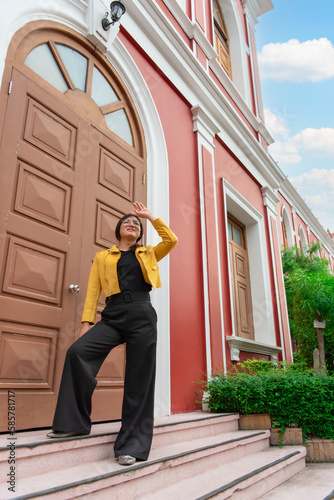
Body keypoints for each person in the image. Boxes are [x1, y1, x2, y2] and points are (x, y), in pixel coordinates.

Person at [46, 202, 178, 466]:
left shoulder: (149, 253)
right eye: (127, 221)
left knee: (139, 378)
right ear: (118, 229)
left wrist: (150, 216)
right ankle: (74, 423)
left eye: (136, 224)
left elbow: (171, 239)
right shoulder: (103, 256)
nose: (132, 223)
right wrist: (86, 323)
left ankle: (132, 445)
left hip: (142, 313)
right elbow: (93, 290)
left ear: (140, 233)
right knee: (77, 353)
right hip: (113, 314)